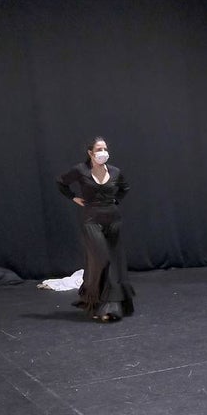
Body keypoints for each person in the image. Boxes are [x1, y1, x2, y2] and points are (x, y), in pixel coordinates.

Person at [55, 137, 134, 322]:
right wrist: (73, 197)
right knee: (101, 259)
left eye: (105, 148)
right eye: (99, 148)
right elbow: (61, 181)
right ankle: (94, 299)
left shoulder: (115, 172)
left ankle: (109, 306)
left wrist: (116, 200)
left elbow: (125, 188)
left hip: (113, 220)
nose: (103, 151)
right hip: (91, 220)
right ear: (91, 153)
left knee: (114, 263)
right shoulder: (80, 170)